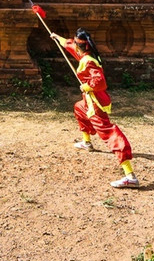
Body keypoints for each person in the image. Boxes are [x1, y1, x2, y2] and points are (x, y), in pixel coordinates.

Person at [49, 27, 140, 189]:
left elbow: (100, 82)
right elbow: (70, 45)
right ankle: (87, 142)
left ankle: (130, 176)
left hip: (95, 103)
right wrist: (57, 38)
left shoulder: (88, 61)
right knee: (79, 108)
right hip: (89, 101)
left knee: (109, 132)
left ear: (80, 46)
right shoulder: (85, 55)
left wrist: (87, 87)